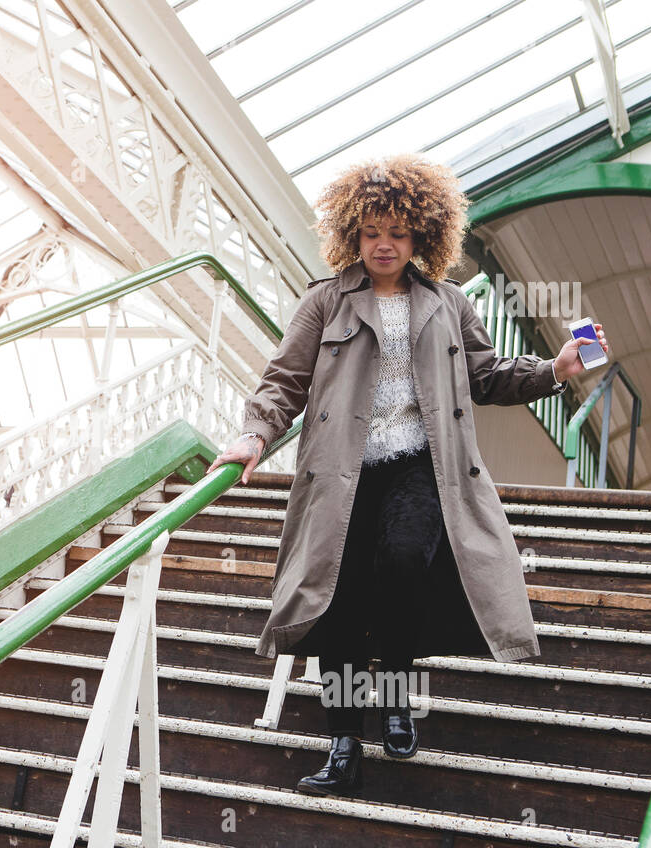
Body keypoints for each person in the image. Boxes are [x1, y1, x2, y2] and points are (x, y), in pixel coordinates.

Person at [207, 154, 608, 797]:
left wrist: (554, 368)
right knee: (334, 600)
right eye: (371, 232)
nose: (383, 244)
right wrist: (255, 433)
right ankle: (343, 743)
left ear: (422, 235)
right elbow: (284, 380)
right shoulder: (325, 302)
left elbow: (486, 375)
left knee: (400, 564)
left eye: (396, 232)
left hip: (422, 467)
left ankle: (393, 696)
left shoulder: (448, 304)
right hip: (340, 473)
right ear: (353, 235)